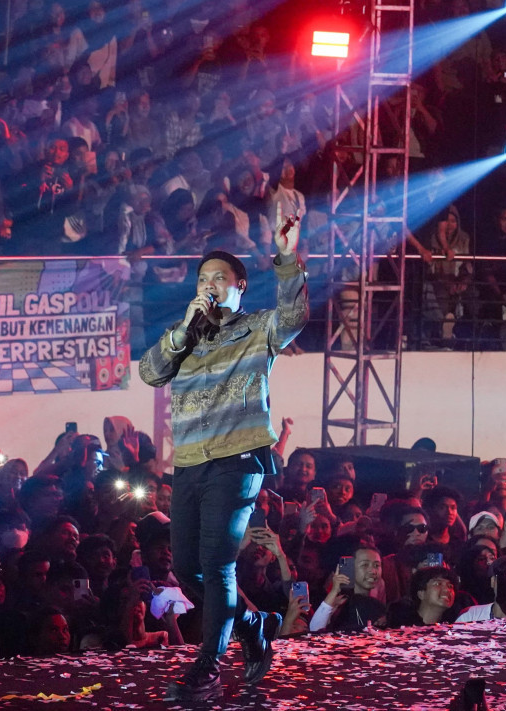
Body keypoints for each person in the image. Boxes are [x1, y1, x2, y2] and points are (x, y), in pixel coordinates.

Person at [138, 216, 305, 701]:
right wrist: (182, 332)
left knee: (217, 566)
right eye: (203, 280)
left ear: (239, 287)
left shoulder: (256, 330)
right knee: (187, 569)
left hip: (237, 461)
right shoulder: (183, 335)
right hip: (190, 462)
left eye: (220, 279)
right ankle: (254, 627)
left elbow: (293, 317)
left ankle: (208, 666)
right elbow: (150, 372)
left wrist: (288, 260)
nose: (210, 286)